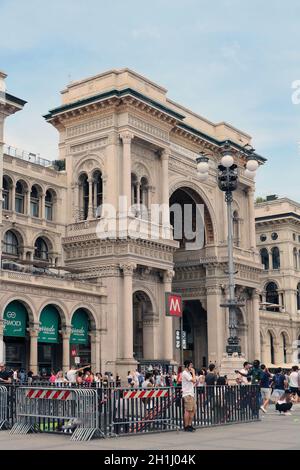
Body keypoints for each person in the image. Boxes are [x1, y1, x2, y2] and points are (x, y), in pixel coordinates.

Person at [182, 360, 196, 432]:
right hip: (187, 394)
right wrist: (193, 372)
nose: (192, 366)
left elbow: (194, 381)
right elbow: (194, 380)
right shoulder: (185, 373)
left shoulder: (188, 373)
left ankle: (190, 425)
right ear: (187, 365)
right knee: (188, 410)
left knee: (193, 410)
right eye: (190, 365)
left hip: (191, 393)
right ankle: (186, 426)